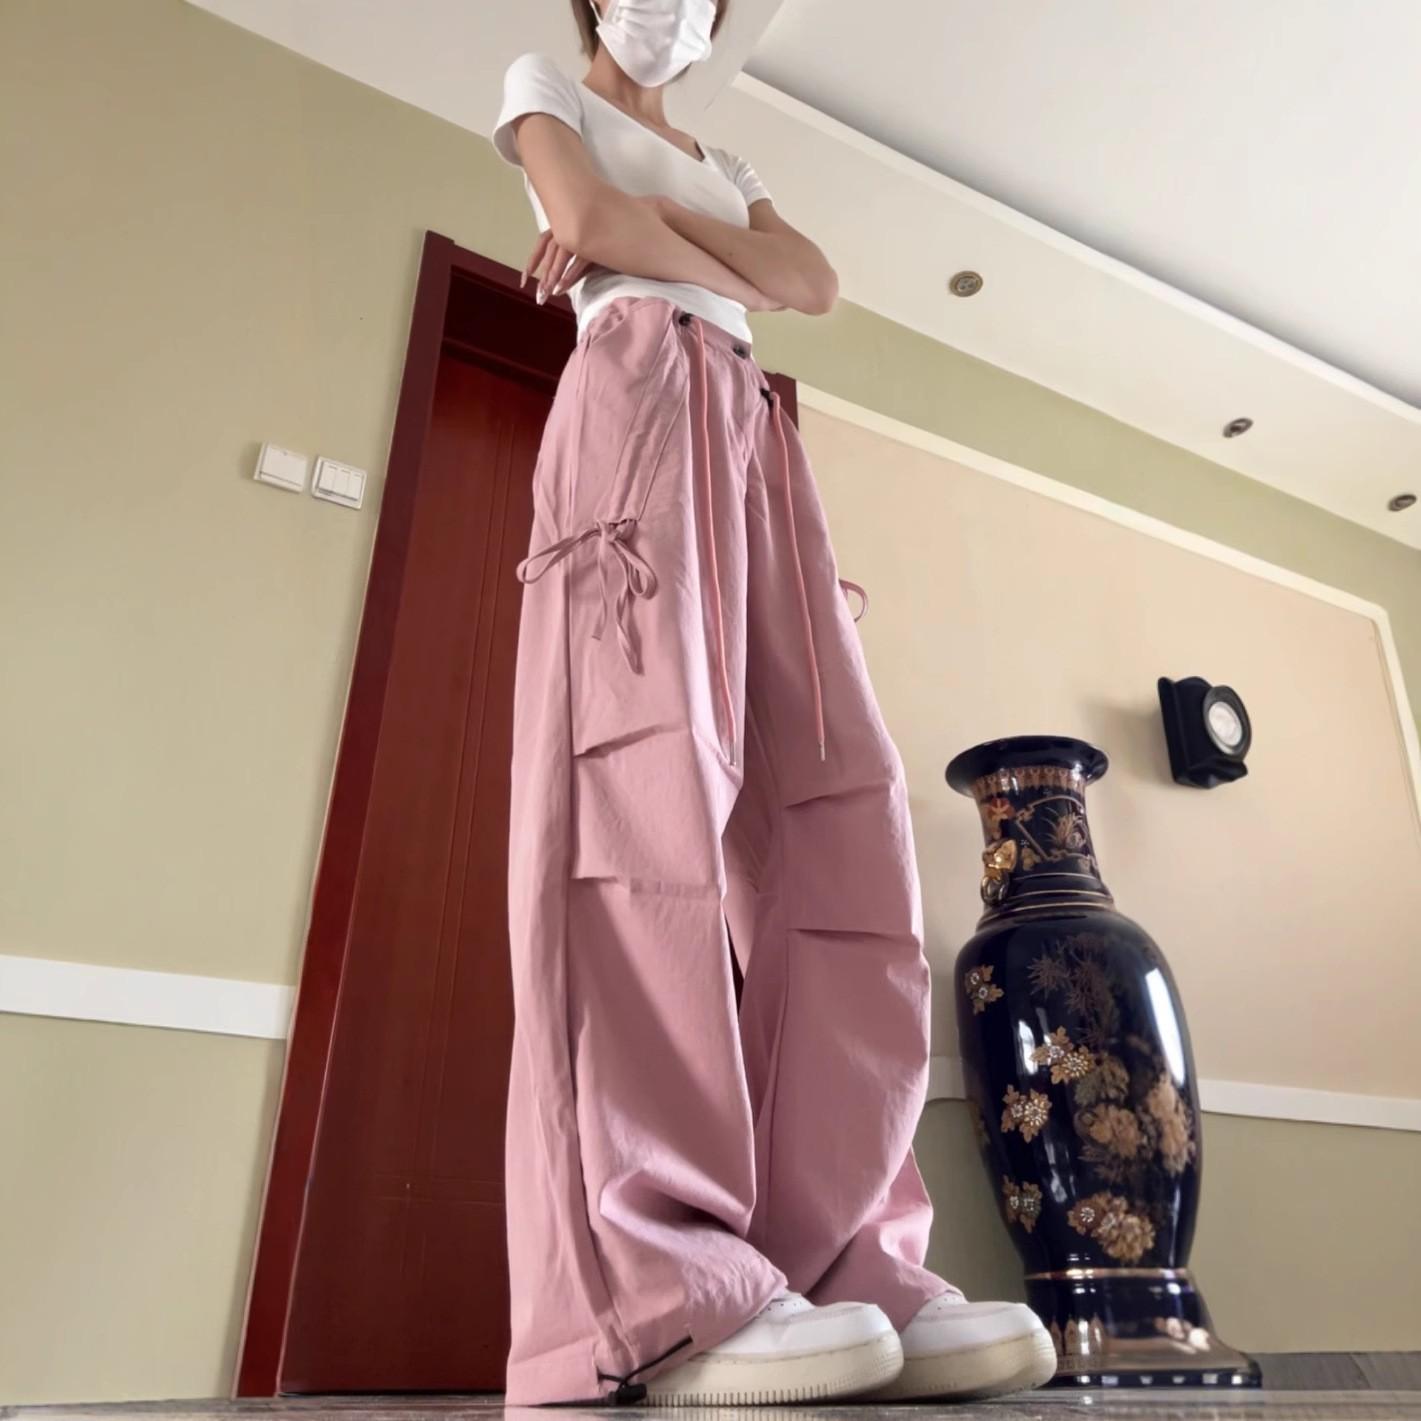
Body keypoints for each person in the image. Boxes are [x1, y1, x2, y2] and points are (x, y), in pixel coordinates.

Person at [490, 0, 1055, 1405]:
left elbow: (809, 283)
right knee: (641, 808)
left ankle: (846, 1257)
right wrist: (651, 241)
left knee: (840, 818)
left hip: (752, 420)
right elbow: (588, 220)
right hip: (632, 394)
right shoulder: (543, 81)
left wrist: (650, 228)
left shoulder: (724, 161)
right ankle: (658, 1287)